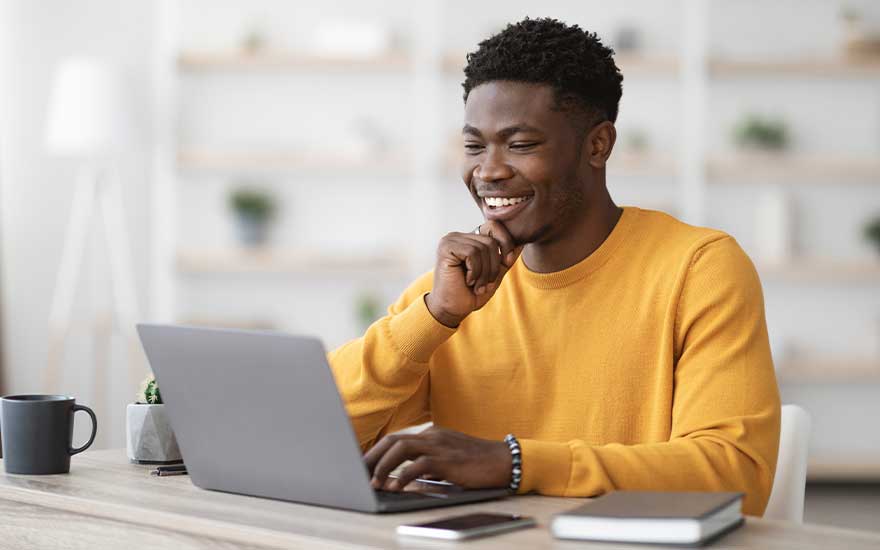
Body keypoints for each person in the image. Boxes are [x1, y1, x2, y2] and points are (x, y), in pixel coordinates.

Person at [328, 17, 781, 516]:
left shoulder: (699, 269)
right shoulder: (449, 296)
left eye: (520, 144)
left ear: (598, 145)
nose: (489, 171)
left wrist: (514, 463)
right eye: (474, 145)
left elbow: (735, 474)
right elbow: (314, 434)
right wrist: (433, 317)